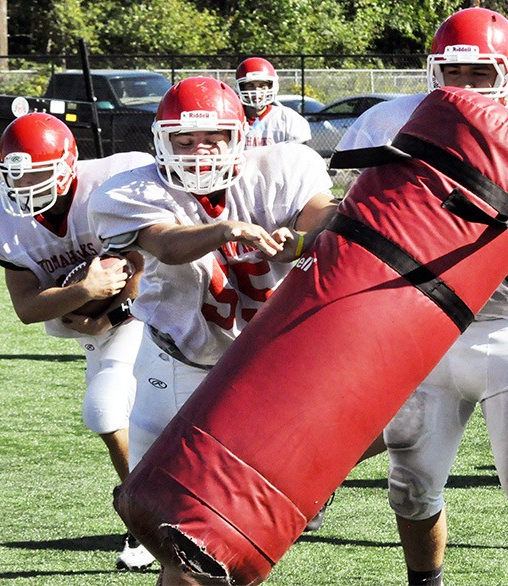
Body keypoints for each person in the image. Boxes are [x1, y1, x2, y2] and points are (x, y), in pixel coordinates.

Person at [336, 7, 508, 586]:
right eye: (453, 74)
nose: (464, 89)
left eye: (480, 75)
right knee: (410, 486)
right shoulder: (392, 120)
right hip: (423, 326)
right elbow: (343, 212)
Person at [87, 76, 338, 585]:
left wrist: (315, 232)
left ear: (239, 136)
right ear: (161, 141)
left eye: (213, 138)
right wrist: (223, 230)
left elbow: (324, 216)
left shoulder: (283, 167)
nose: (198, 151)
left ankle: (316, 477)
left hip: (267, 365)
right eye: (184, 140)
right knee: (179, 531)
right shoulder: (128, 192)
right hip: (178, 363)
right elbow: (167, 245)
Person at [0, 112, 157, 572]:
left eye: (37, 173)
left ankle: (148, 519)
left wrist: (112, 308)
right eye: (15, 174)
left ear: (69, 165)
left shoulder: (109, 183)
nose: (25, 185)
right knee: (109, 414)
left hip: (155, 307)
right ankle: (149, 514)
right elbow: (28, 307)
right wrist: (84, 295)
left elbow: (145, 257)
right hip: (95, 322)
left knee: (119, 406)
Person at [235, 56, 312, 148]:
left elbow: (298, 158)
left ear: (271, 87)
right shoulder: (232, 118)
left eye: (262, 86)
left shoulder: (287, 119)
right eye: (250, 86)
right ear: (241, 87)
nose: (257, 91)